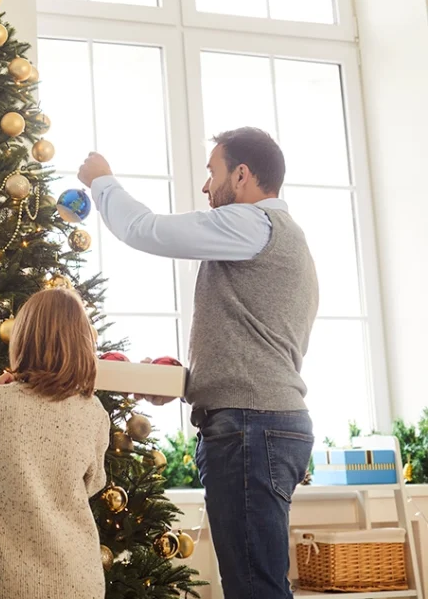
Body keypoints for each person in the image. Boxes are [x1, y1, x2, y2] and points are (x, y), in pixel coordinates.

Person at [78, 127, 319, 599]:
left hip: (251, 426)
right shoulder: (282, 239)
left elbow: (145, 230)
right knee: (255, 581)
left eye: (213, 172)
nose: (207, 187)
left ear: (243, 175)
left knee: (254, 588)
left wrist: (102, 182)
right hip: (261, 421)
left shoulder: (254, 224)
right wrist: (184, 382)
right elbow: (255, 347)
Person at [0, 288, 111, 599]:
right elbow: (94, 482)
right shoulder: (92, 410)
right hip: (79, 579)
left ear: (23, 339)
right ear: (82, 342)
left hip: (9, 583)